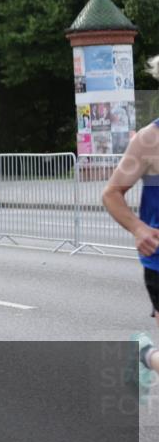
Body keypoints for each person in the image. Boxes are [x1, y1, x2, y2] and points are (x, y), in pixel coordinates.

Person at [102, 54, 159, 395]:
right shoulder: (148, 141)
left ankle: (145, 355)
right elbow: (111, 194)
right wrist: (139, 229)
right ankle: (144, 354)